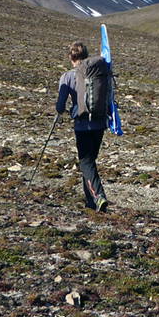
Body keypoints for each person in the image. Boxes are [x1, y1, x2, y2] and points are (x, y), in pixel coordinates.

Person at [56, 41, 110, 212]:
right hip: (100, 123)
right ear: (86, 55)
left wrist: (61, 110)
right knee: (90, 163)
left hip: (82, 125)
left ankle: (99, 196)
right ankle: (91, 202)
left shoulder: (68, 76)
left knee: (86, 163)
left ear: (70, 57)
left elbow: (60, 105)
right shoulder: (97, 72)